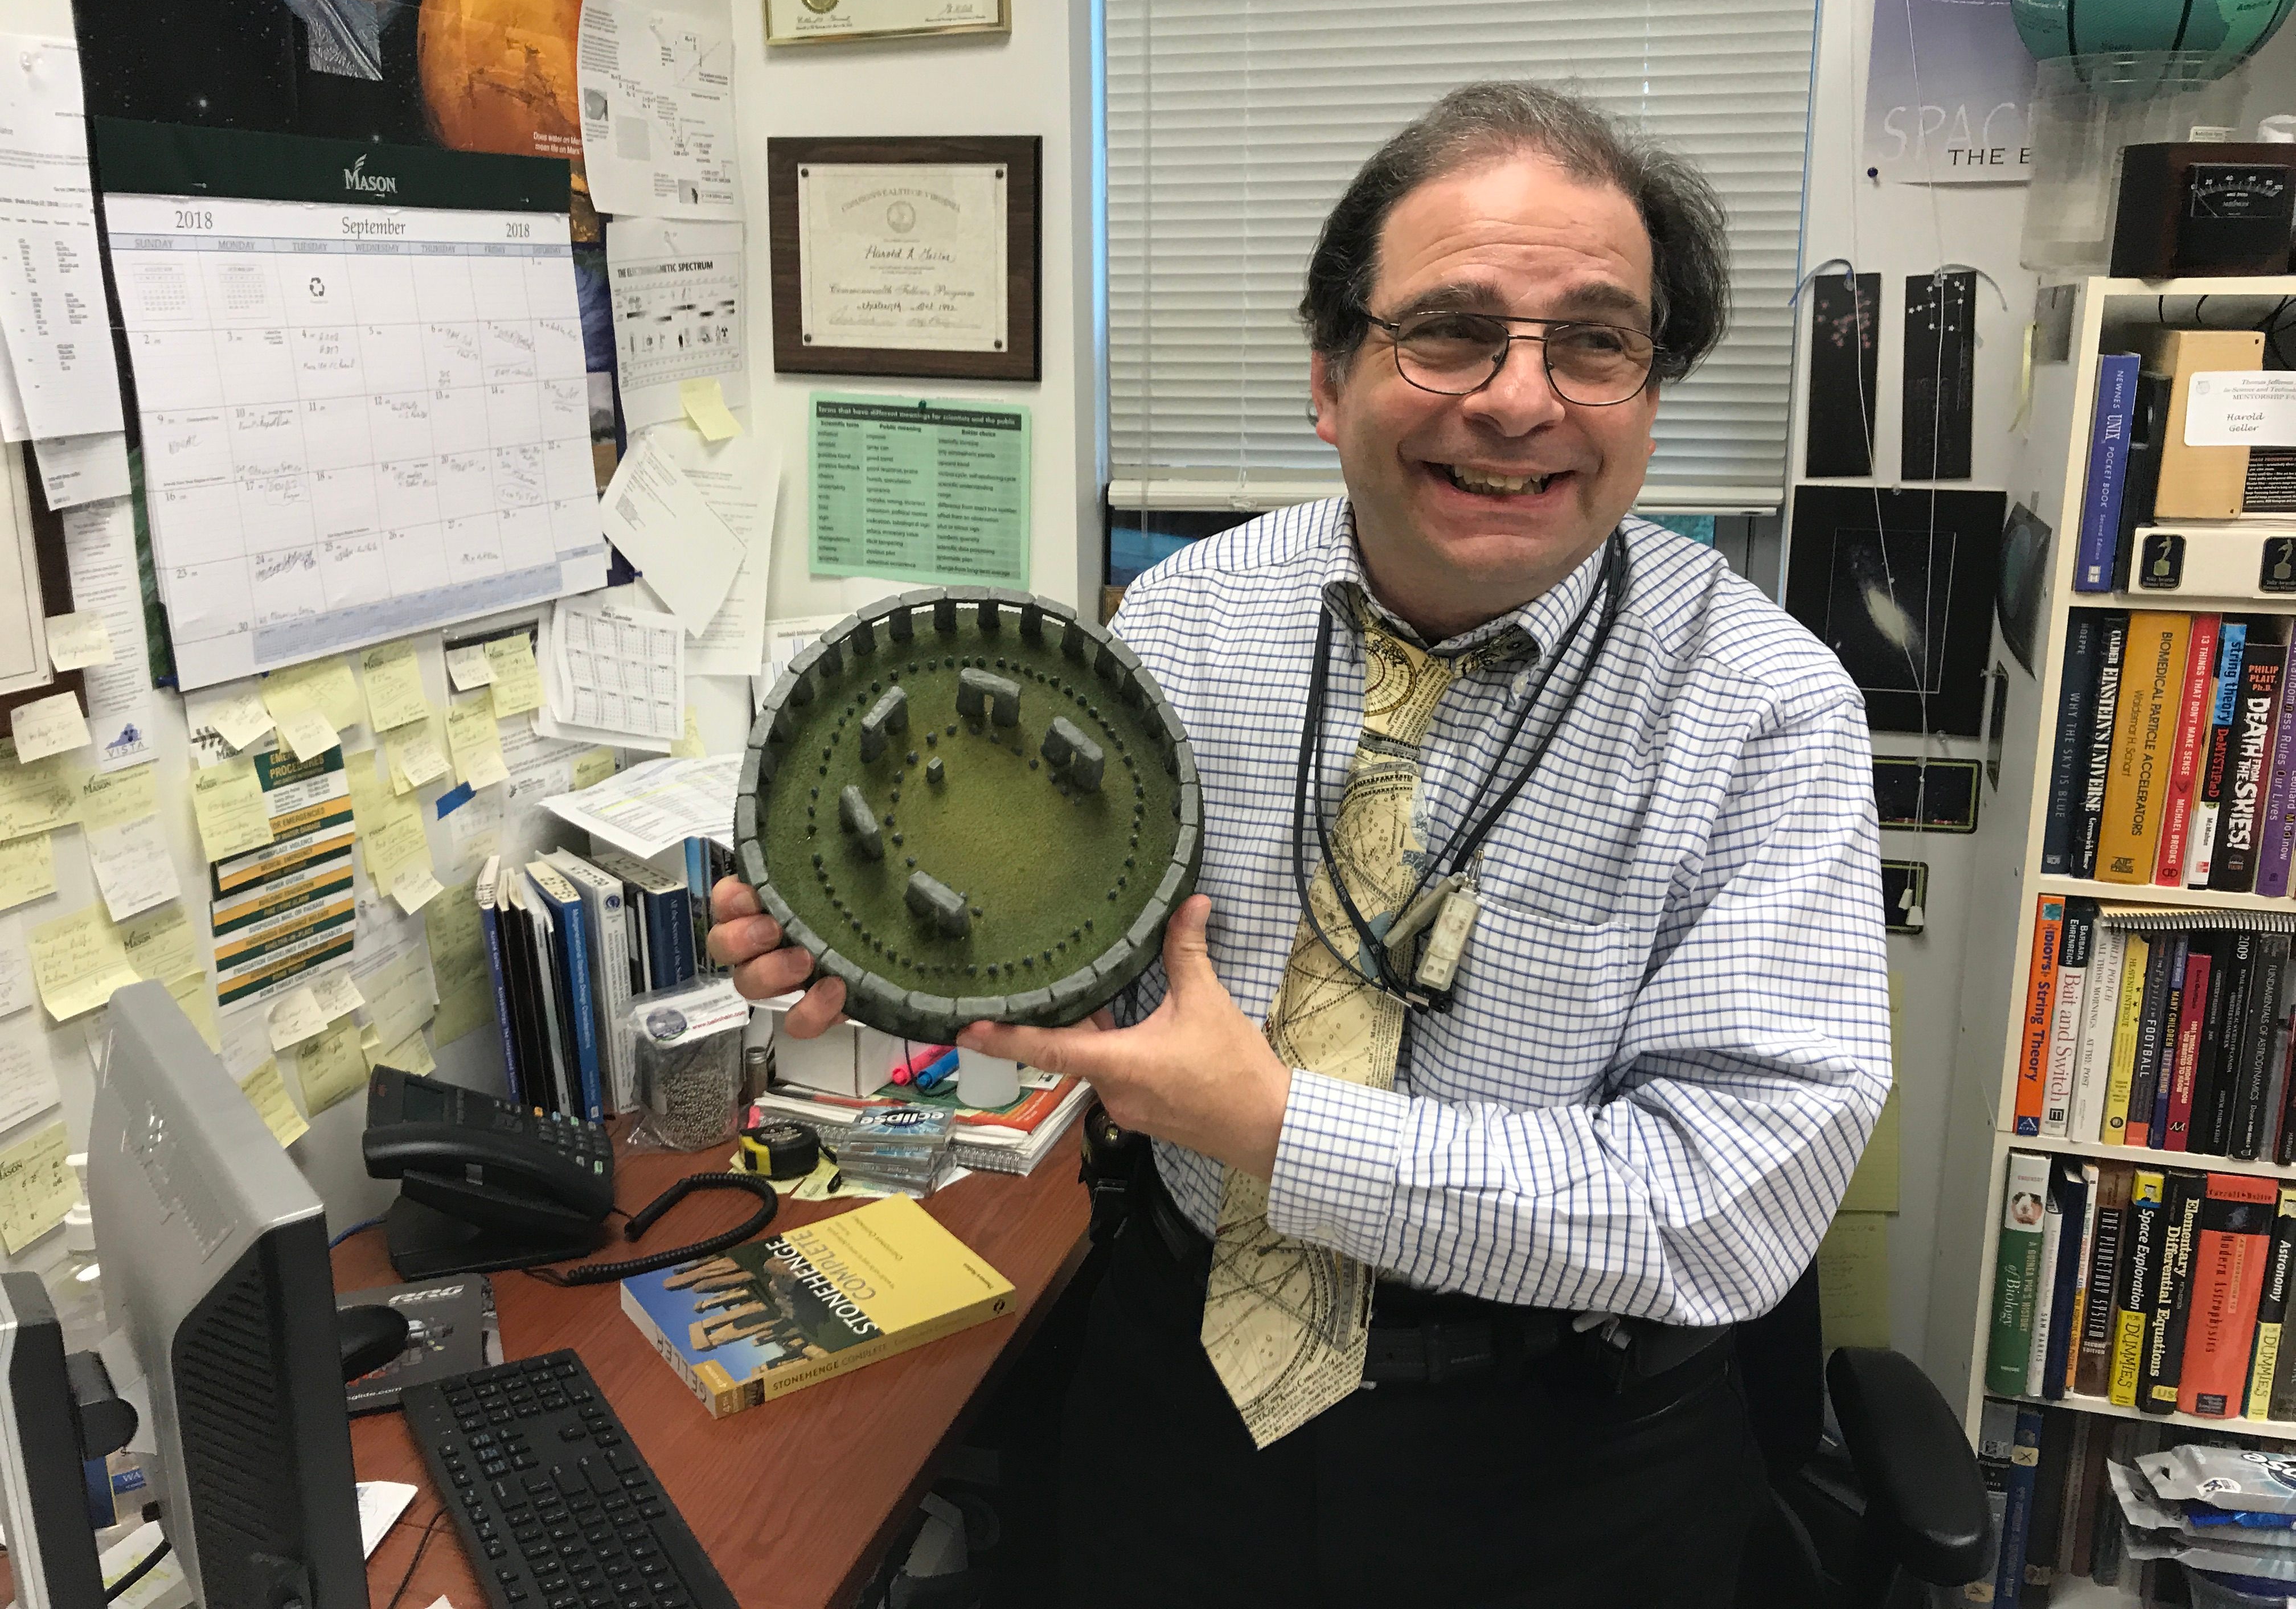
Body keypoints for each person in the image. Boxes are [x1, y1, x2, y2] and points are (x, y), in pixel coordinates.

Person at [709, 80, 1891, 1606]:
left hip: (1574, 1455)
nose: (1520, 400)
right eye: (1448, 329)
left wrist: (1280, 1129)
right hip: (1179, 1388)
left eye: (1595, 342)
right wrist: (869, 944)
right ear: (1332, 380)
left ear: (1650, 396)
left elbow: (1729, 1199)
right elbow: (1093, 960)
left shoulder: (1770, 708)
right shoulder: (1189, 620)